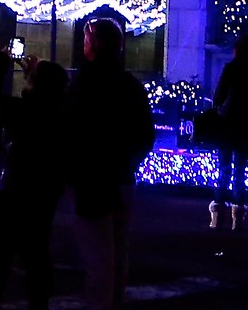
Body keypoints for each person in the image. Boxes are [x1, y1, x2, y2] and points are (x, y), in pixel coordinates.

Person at [65, 17, 155, 310]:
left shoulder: (85, 82)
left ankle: (101, 305)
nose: (84, 44)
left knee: (98, 254)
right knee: (117, 249)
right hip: (122, 176)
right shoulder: (130, 85)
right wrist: (129, 162)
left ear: (95, 44)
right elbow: (145, 134)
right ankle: (113, 302)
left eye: (87, 38)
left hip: (92, 179)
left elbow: (71, 128)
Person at [0, 50, 67, 310]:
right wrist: (35, 79)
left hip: (11, 189)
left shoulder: (21, 110)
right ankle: (39, 304)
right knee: (37, 252)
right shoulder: (61, 115)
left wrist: (1, 62)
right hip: (45, 191)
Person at [209, 31, 248, 230]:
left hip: (228, 121)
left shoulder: (231, 68)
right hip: (247, 122)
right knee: (240, 169)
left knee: (224, 167)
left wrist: (220, 106)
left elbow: (218, 95)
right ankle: (238, 215)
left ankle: (217, 214)